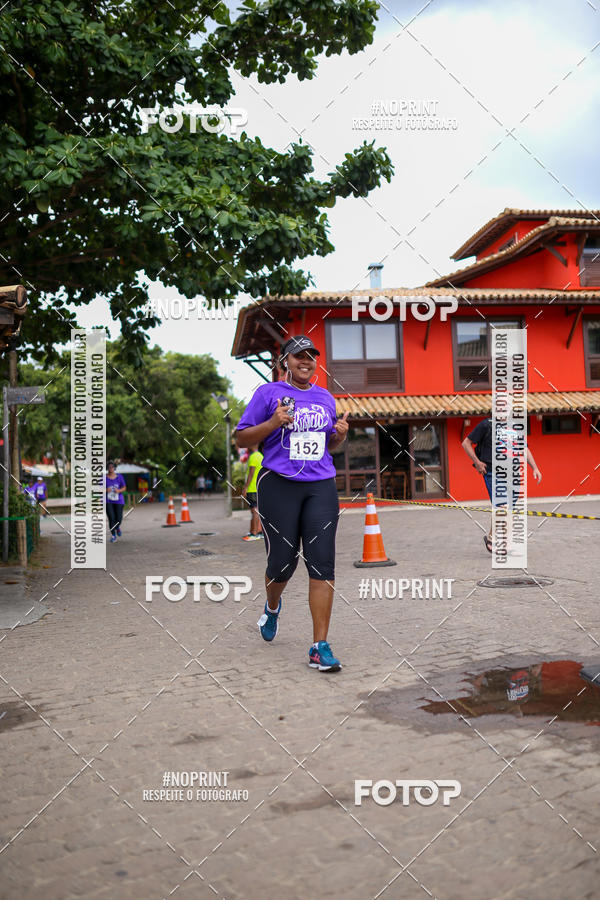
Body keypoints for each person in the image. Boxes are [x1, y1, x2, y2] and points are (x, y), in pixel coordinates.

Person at [235, 334, 349, 672]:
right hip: (279, 486)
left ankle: (319, 646)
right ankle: (272, 606)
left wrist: (339, 436)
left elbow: (328, 447)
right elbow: (241, 437)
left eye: (311, 357)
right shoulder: (267, 394)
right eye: (299, 356)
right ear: (284, 361)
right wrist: (273, 422)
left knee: (323, 563)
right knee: (282, 564)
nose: (306, 361)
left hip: (320, 486)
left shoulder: (325, 397)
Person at [462, 417, 542, 552]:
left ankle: (493, 538)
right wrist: (477, 462)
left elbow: (524, 449)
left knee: (507, 509)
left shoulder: (515, 427)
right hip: (493, 471)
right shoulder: (487, 425)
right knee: (502, 505)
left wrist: (535, 467)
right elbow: (466, 443)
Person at [241, 444, 264, 541]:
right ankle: (257, 531)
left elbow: (251, 474)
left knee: (254, 511)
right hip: (258, 487)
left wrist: (245, 487)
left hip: (252, 488)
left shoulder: (253, 456)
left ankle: (254, 533)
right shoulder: (261, 456)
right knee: (256, 511)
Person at [106, 460, 127, 542]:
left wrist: (119, 491)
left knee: (119, 518)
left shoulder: (120, 477)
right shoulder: (104, 478)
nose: (111, 468)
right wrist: (105, 490)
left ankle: (117, 527)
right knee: (111, 518)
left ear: (114, 468)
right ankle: (113, 535)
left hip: (119, 501)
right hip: (108, 501)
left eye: (112, 467)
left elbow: (124, 487)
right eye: (109, 467)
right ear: (107, 468)